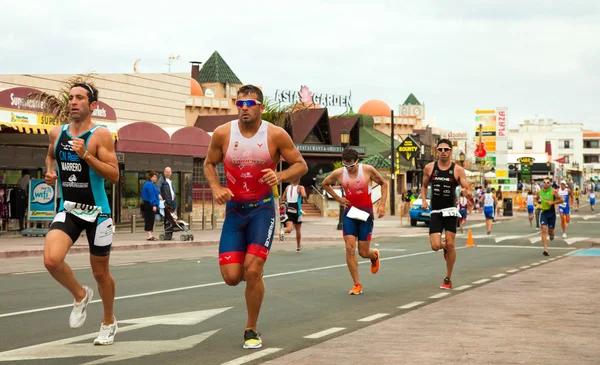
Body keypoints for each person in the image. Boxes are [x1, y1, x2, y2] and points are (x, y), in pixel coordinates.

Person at [203, 85, 307, 349]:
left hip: (262, 209)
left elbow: (301, 164)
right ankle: (254, 277)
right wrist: (216, 187)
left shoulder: (275, 134)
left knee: (252, 270)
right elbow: (208, 163)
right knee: (231, 277)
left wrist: (281, 176)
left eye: (249, 103)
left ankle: (251, 328)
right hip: (235, 211)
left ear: (260, 107)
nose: (244, 108)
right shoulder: (223, 133)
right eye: (239, 104)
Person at [44, 83, 119, 345]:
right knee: (52, 261)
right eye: (71, 98)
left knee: (101, 274)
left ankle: (108, 321)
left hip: (98, 214)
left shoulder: (101, 135)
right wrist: (50, 172)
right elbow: (51, 155)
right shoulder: (58, 132)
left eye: (80, 98)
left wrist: (86, 154)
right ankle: (79, 295)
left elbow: (114, 175)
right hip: (69, 209)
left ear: (92, 105)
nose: (73, 102)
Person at [322, 147, 388, 295]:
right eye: (346, 166)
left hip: (365, 215)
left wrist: (382, 204)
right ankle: (357, 284)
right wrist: (338, 198)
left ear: (357, 162)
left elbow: (384, 183)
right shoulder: (339, 173)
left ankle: (374, 256)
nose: (349, 169)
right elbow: (325, 183)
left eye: (351, 166)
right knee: (349, 249)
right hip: (350, 214)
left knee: (363, 252)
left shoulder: (368, 170)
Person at [421, 139, 470, 290]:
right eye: (440, 149)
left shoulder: (458, 170)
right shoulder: (429, 168)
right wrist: (423, 200)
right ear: (437, 151)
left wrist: (465, 192)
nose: (443, 152)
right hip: (435, 211)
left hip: (450, 211)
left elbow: (467, 190)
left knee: (451, 243)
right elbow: (423, 186)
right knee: (435, 246)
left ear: (450, 151)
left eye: (446, 149)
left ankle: (448, 278)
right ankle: (444, 248)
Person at [536, 178, 564, 256]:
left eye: (547, 182)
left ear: (550, 184)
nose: (545, 184)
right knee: (543, 229)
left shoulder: (553, 191)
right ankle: (545, 249)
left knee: (550, 231)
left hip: (551, 213)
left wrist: (552, 202)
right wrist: (536, 203)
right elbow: (536, 199)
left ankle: (552, 234)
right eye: (544, 182)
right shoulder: (539, 192)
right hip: (544, 212)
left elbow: (562, 200)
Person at [280, 179, 307, 252]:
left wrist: (283, 203)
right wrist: (305, 199)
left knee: (289, 228)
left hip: (289, 209)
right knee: (298, 229)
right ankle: (298, 247)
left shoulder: (287, 188)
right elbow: (304, 195)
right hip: (297, 210)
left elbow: (283, 198)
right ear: (298, 181)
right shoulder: (300, 187)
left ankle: (283, 230)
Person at [142, 171, 161, 241]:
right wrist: (154, 205)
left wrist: (159, 196)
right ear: (150, 177)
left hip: (148, 203)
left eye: (156, 177)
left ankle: (149, 235)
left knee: (149, 219)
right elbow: (151, 195)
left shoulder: (150, 184)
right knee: (150, 219)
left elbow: (154, 194)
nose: (155, 178)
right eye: (154, 177)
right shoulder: (149, 185)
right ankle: (149, 235)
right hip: (149, 204)